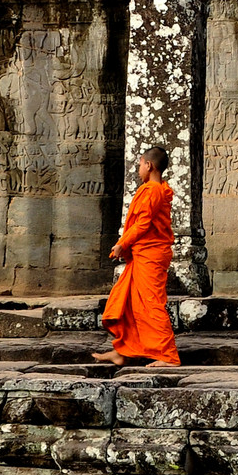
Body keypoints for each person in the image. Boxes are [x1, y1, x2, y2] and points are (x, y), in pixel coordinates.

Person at [95, 146, 180, 367]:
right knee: (132, 303)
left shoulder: (152, 190)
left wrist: (122, 244)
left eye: (140, 164)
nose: (138, 169)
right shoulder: (158, 189)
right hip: (146, 253)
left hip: (151, 253)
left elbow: (143, 224)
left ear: (149, 165)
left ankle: (167, 356)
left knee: (151, 303)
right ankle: (124, 352)